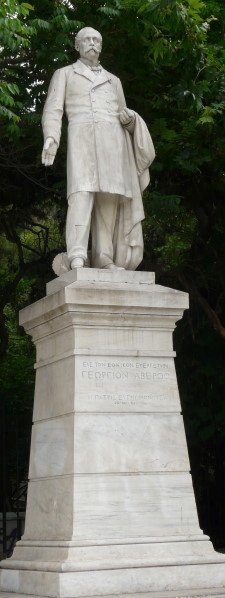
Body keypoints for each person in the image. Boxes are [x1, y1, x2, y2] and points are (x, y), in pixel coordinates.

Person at [42, 27, 155, 272]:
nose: (92, 43)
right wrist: (51, 137)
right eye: (87, 40)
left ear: (101, 46)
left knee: (109, 201)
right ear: (77, 45)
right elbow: (53, 110)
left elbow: (123, 114)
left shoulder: (114, 81)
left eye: (96, 40)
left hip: (113, 145)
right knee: (81, 196)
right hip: (81, 139)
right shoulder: (64, 74)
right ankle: (77, 257)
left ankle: (105, 258)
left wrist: (131, 121)